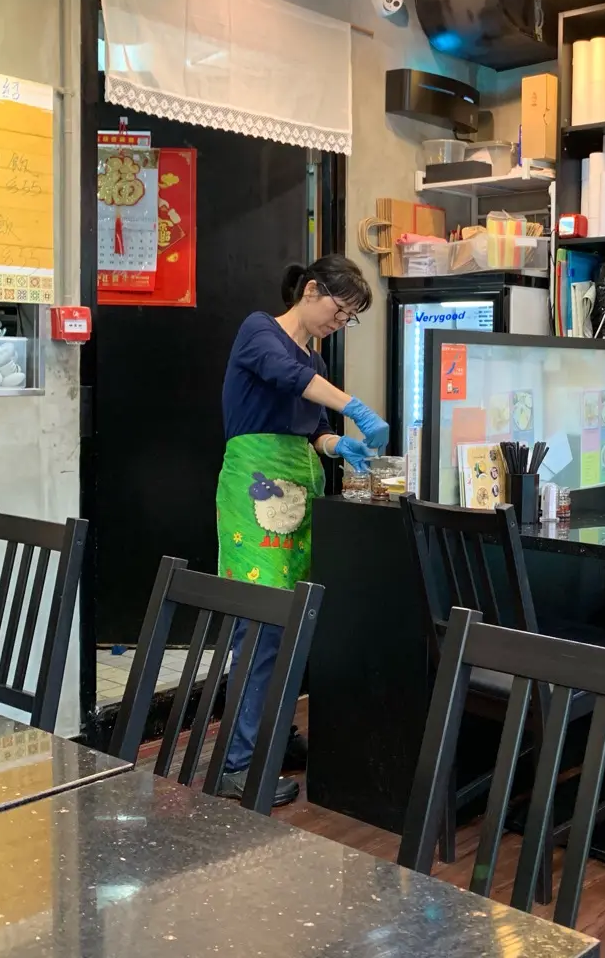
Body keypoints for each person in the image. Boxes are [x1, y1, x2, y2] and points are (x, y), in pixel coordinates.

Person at [216, 255, 387, 806]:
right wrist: (356, 406)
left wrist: (339, 444)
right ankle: (235, 765)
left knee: (292, 622)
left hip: (299, 493)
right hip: (255, 494)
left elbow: (313, 429)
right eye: (340, 311)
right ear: (311, 291)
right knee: (259, 625)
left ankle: (274, 733)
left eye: (349, 318)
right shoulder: (260, 332)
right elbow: (286, 378)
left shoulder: (313, 356)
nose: (340, 324)